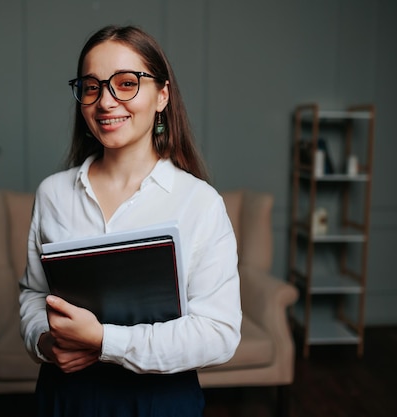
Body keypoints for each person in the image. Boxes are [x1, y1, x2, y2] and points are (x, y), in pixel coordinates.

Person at [19, 25, 242, 416]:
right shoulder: (52, 194)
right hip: (64, 396)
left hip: (160, 401)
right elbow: (34, 295)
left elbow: (219, 334)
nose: (106, 102)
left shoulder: (200, 203)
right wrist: (45, 344)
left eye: (126, 83)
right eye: (92, 87)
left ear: (162, 95)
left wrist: (104, 340)